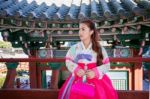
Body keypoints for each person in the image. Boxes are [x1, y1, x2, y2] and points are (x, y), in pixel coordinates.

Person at [58, 19, 118, 99]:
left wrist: (95, 72)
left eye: (83, 29)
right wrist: (76, 69)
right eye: (79, 29)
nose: (80, 32)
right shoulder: (74, 48)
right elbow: (68, 61)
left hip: (95, 80)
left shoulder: (100, 49)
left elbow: (107, 65)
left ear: (91, 32)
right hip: (77, 78)